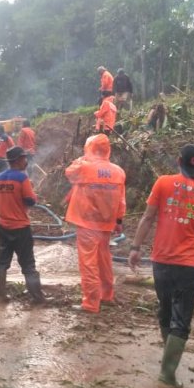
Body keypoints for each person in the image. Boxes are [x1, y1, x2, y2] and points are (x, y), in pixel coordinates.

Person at [128, 145, 194, 388]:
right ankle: (167, 374)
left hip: (162, 261)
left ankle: (167, 363)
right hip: (190, 266)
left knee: (166, 310)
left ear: (178, 161)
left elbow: (147, 217)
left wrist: (135, 248)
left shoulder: (163, 183)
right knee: (181, 320)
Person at [64, 134, 126, 313]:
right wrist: (119, 220)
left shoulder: (83, 167)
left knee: (88, 262)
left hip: (87, 221)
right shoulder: (118, 171)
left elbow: (69, 172)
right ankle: (107, 295)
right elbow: (121, 200)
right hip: (106, 223)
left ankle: (91, 303)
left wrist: (83, 159)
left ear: (89, 148)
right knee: (104, 259)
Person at [0, 146, 46, 304]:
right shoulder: (22, 178)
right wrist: (34, 194)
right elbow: (30, 200)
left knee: (2, 262)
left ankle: (1, 296)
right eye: (24, 158)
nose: (26, 160)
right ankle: (37, 297)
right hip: (21, 228)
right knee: (28, 263)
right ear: (18, 160)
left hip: (3, 227)